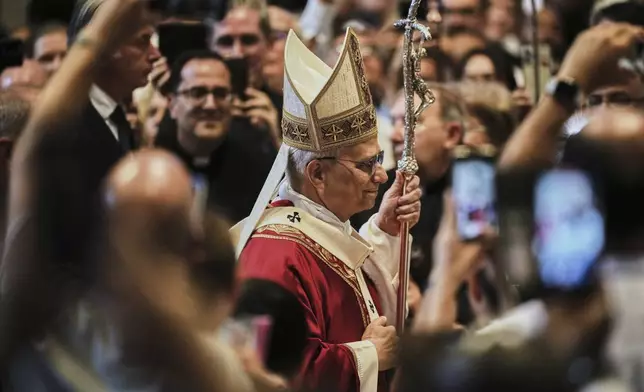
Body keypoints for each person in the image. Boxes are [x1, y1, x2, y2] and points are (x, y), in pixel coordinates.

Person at [234, 28, 422, 392]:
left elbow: (348, 288)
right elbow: (271, 373)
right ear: (317, 173)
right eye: (367, 165)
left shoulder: (317, 227)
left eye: (379, 158)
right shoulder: (275, 254)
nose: (382, 175)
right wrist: (367, 356)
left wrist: (383, 229)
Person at [156, 50, 277, 224]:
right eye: (197, 93)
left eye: (220, 94)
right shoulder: (154, 165)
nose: (211, 105)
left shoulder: (258, 166)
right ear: (172, 103)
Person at [64, 0, 160, 196]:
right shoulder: (67, 125)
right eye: (143, 41)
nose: (155, 54)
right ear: (105, 46)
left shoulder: (117, 116)